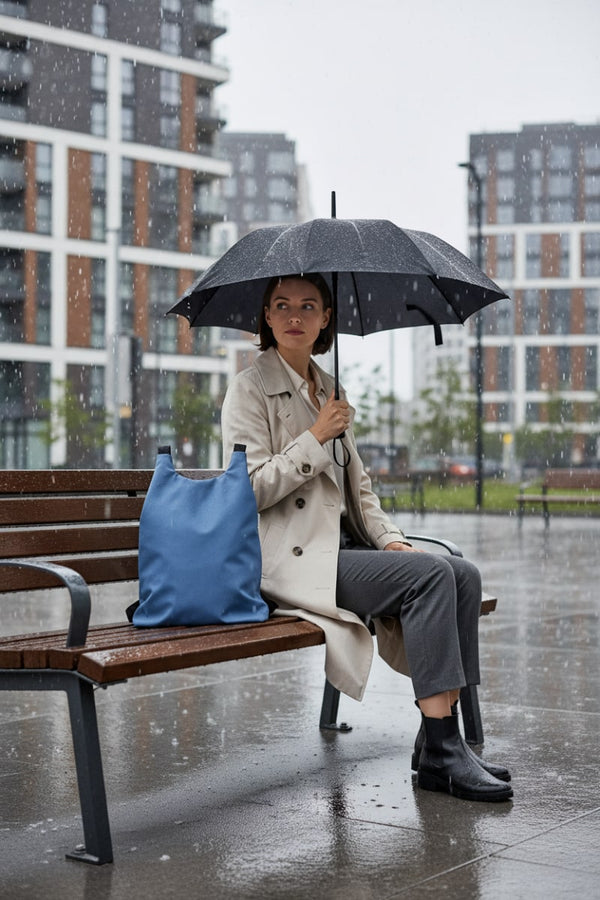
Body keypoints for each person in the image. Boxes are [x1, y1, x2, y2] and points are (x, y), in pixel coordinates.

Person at [221, 273, 512, 802]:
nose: (294, 316)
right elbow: (246, 491)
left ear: (325, 318)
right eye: (282, 305)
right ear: (265, 316)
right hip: (289, 558)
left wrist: (392, 540)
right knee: (429, 578)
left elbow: (361, 492)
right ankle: (445, 752)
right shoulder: (249, 388)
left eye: (308, 306)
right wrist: (314, 437)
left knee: (461, 574)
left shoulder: (331, 390)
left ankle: (437, 743)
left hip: (344, 551)